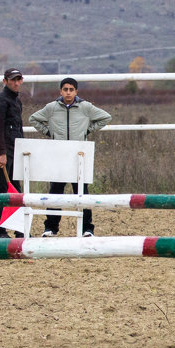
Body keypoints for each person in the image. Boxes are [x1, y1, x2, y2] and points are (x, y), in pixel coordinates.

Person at [29, 77, 112, 237]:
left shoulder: (85, 107)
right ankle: (51, 228)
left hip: (78, 155)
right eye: (65, 89)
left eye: (71, 89)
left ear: (76, 91)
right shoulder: (51, 108)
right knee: (55, 193)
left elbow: (106, 117)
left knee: (82, 193)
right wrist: (49, 133)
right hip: (58, 155)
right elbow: (33, 119)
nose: (68, 92)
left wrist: (87, 131)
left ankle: (87, 229)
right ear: (60, 91)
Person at [0, 67, 25, 238]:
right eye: (13, 80)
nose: (16, 83)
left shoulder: (17, 101)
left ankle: (20, 230)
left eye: (19, 80)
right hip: (3, 152)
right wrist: (1, 153)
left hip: (15, 150)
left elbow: (19, 127)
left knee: (16, 191)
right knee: (1, 190)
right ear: (5, 81)